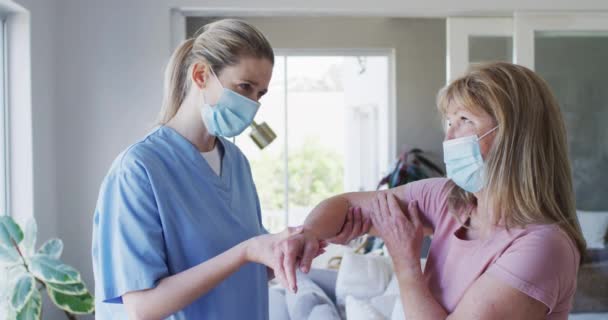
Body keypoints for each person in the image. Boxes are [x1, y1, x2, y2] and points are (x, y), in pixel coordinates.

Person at [276, 62, 586, 319]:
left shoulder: (542, 247)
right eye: (449, 121)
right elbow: (345, 205)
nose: (450, 135)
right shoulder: (446, 200)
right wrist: (310, 234)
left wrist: (405, 261)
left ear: (515, 136)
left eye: (464, 120)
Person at [91, 19, 327, 319]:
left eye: (261, 94)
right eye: (245, 87)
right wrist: (245, 250)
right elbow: (141, 307)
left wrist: (284, 252)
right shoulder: (138, 170)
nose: (253, 104)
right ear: (201, 74)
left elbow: (243, 270)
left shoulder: (236, 162)